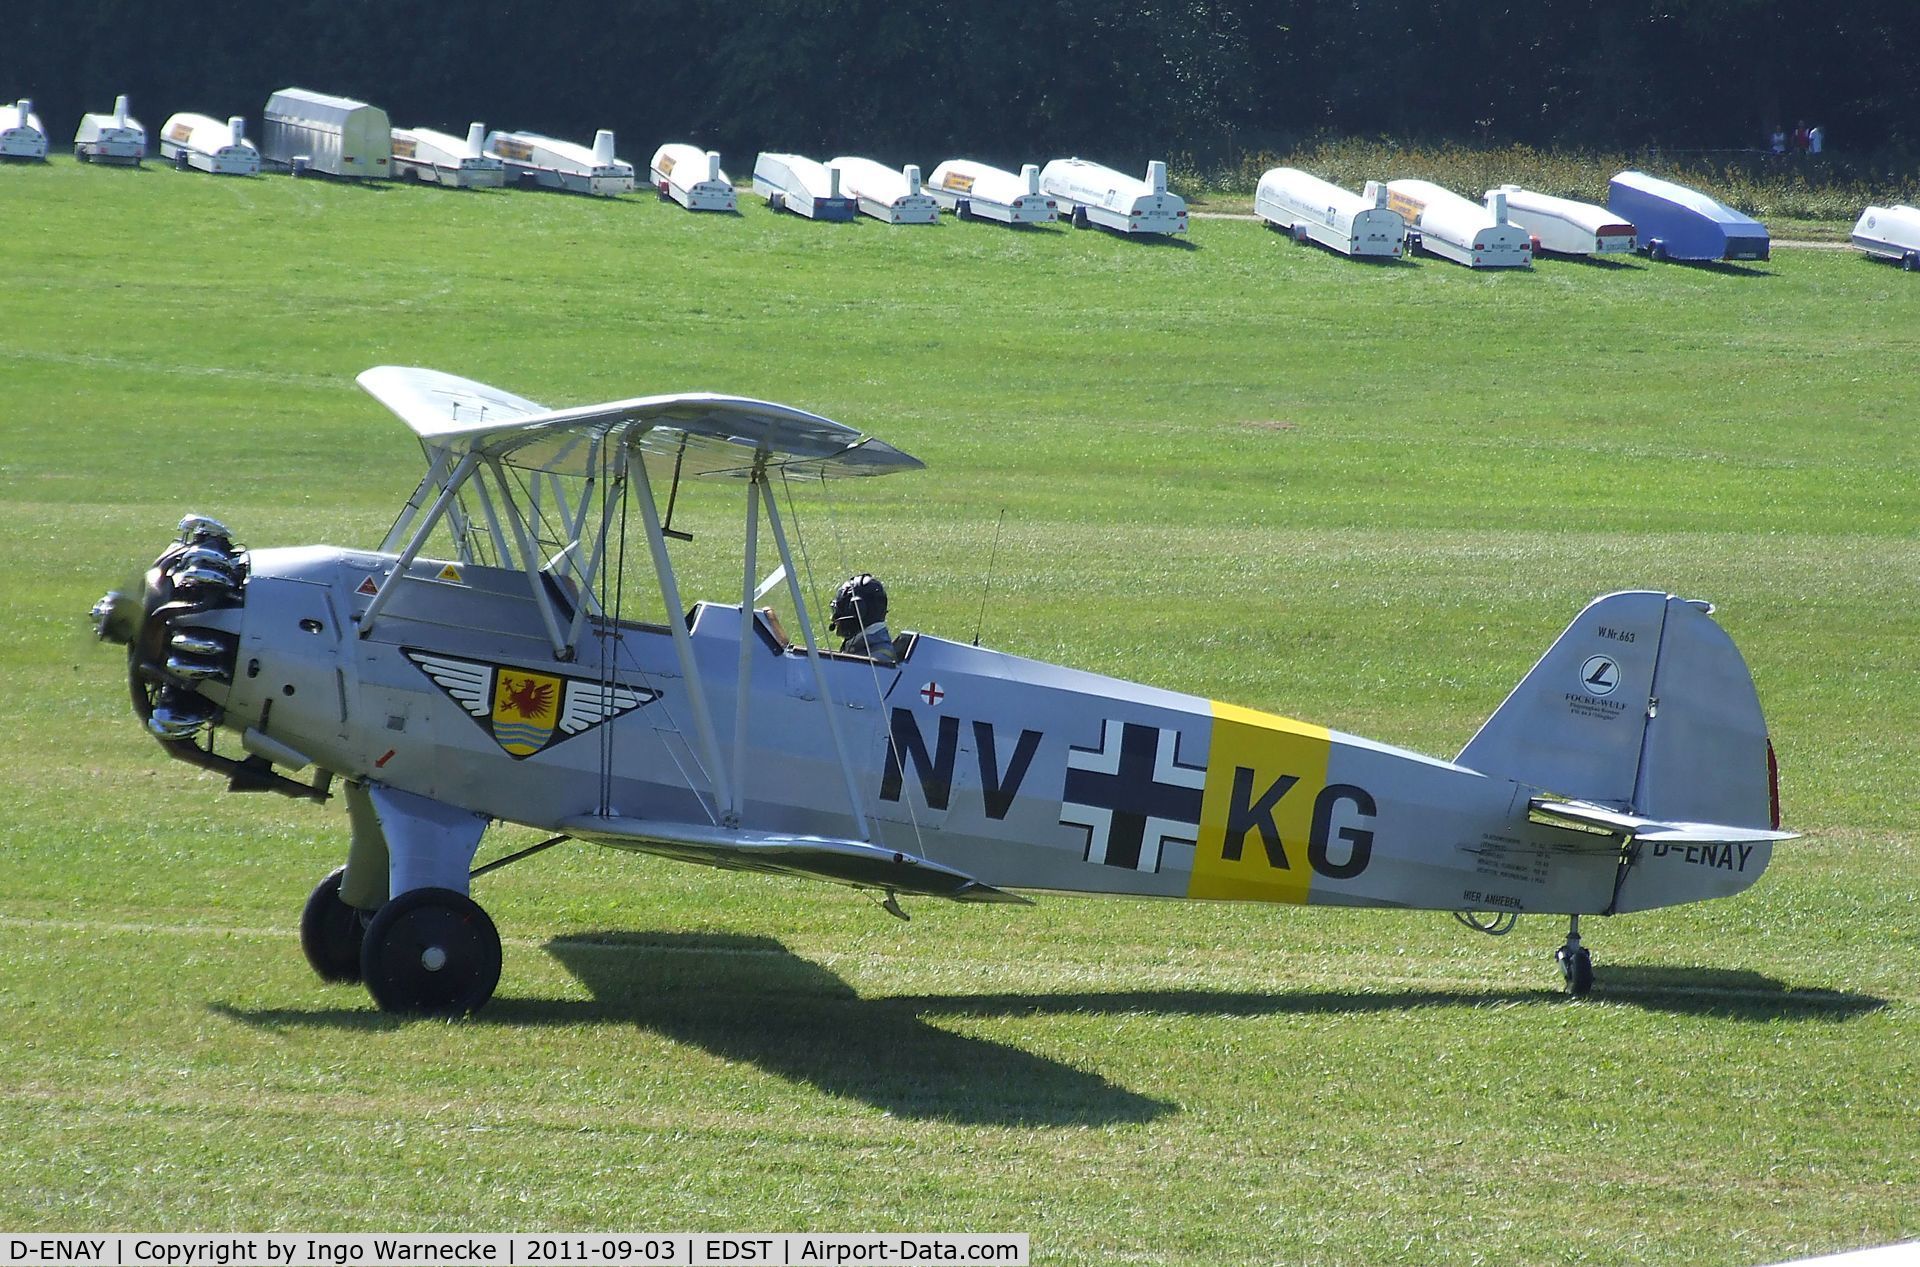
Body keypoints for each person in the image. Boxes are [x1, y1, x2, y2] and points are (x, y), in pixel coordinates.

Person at [829, 572, 896, 665]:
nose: (833, 619)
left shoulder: (876, 660)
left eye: (839, 612)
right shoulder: (863, 647)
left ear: (856, 610)